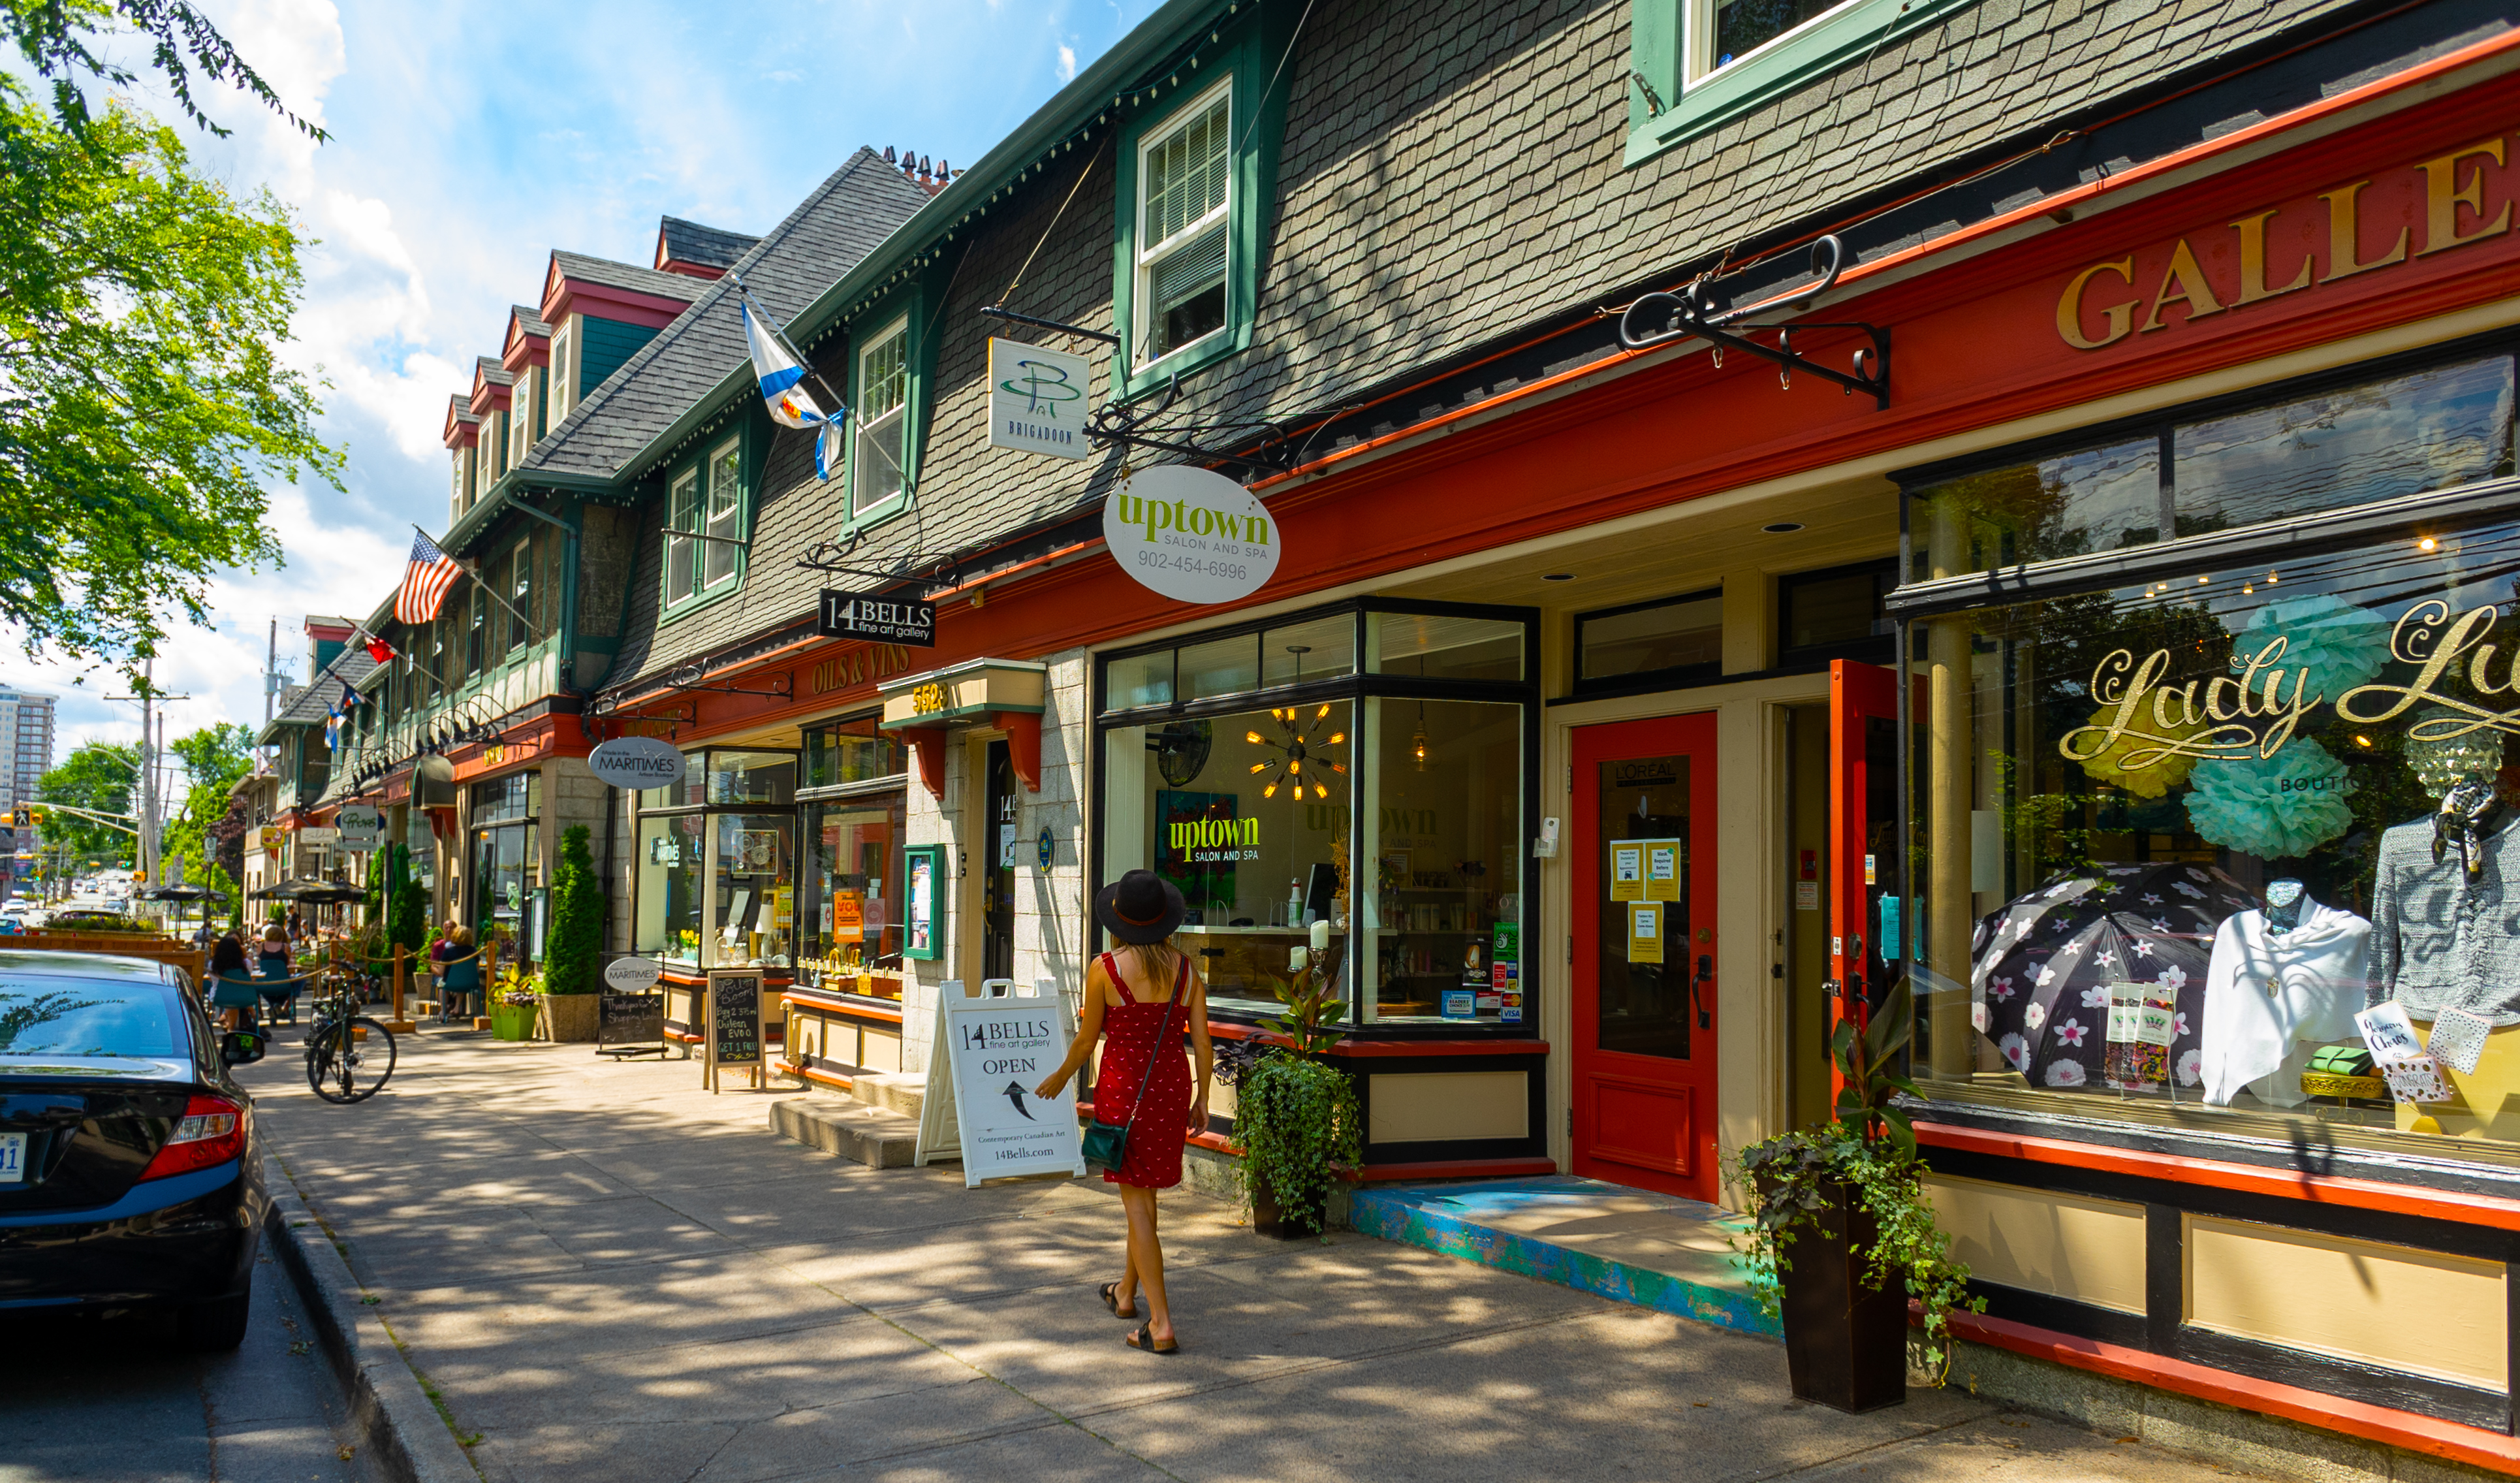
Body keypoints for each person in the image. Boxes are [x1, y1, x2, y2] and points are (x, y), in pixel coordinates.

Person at [1036, 869, 1212, 1356]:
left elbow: (1087, 1039)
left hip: (1123, 1092)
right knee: (1146, 1199)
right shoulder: (1188, 970)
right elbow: (1202, 1041)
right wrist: (1202, 1098)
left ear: (1121, 921)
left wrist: (1061, 1075)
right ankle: (1125, 1294)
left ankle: (1160, 1323)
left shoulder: (1104, 969)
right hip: (1171, 1090)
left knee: (1137, 1205)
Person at [206, 932, 258, 1032]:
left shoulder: (212, 964)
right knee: (234, 996)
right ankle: (232, 1026)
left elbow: (212, 979)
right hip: (244, 997)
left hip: (219, 996)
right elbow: (248, 977)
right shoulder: (246, 964)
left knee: (230, 997)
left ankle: (230, 1026)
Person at [437, 925, 482, 1023]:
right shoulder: (474, 951)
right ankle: (457, 1008)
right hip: (470, 983)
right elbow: (477, 970)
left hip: (451, 983)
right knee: (462, 981)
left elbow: (441, 972)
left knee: (442, 986)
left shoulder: (448, 952)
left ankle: (443, 1012)